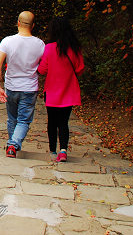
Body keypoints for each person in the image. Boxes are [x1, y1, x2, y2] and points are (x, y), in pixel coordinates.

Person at [0, 11, 45, 158]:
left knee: (12, 118)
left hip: (11, 86)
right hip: (29, 87)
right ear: (33, 25)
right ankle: (13, 145)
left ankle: (12, 144)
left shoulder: (7, 41)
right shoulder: (40, 44)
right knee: (23, 120)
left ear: (18, 23)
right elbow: (43, 66)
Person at [38, 16, 84, 162]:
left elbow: (43, 69)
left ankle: (52, 150)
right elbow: (80, 68)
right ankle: (63, 150)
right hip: (69, 90)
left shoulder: (49, 48)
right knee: (64, 122)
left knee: (52, 121)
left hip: (51, 91)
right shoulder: (75, 49)